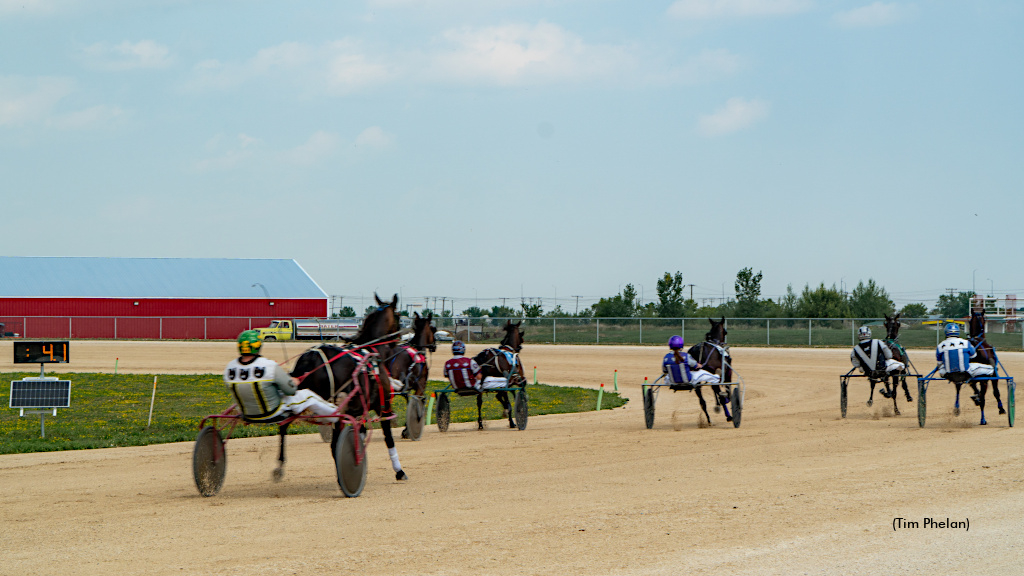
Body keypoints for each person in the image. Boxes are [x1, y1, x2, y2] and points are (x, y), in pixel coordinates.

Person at [224, 330, 338, 423]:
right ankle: (336, 416)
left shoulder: (229, 367)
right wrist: (293, 382)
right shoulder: (269, 365)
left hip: (247, 414)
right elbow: (290, 391)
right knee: (308, 396)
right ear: (258, 346)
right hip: (272, 413)